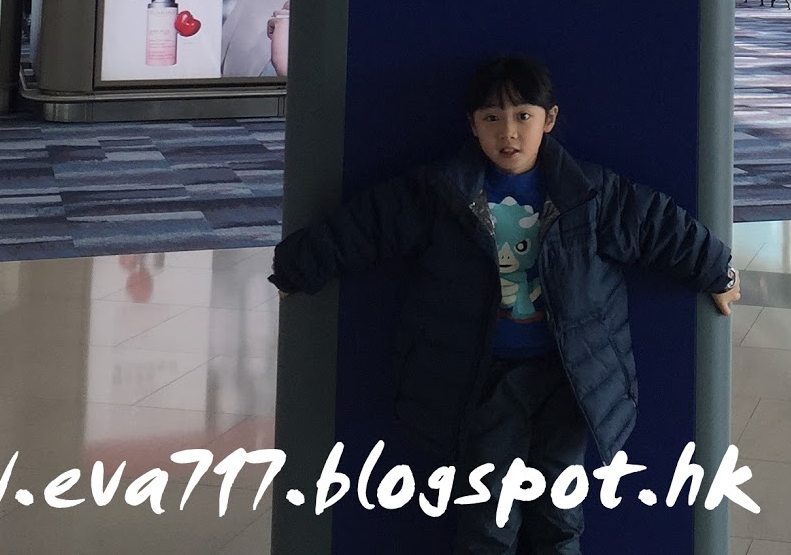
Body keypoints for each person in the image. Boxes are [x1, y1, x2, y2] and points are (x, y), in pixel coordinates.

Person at [270, 54, 740, 554]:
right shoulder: (443, 193)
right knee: (488, 516)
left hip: (568, 381)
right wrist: (299, 267)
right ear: (472, 125)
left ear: (549, 119)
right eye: (492, 118)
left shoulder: (589, 193)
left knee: (560, 514)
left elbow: (657, 226)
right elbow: (368, 226)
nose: (508, 132)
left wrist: (717, 270)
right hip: (485, 381)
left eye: (523, 116)